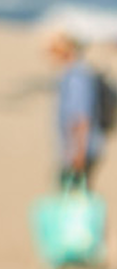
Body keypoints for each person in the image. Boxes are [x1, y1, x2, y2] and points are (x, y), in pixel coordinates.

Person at [49, 29, 108, 189]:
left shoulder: (77, 76)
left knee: (74, 196)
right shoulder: (75, 73)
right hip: (78, 150)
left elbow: (81, 117)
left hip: (80, 152)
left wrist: (78, 155)